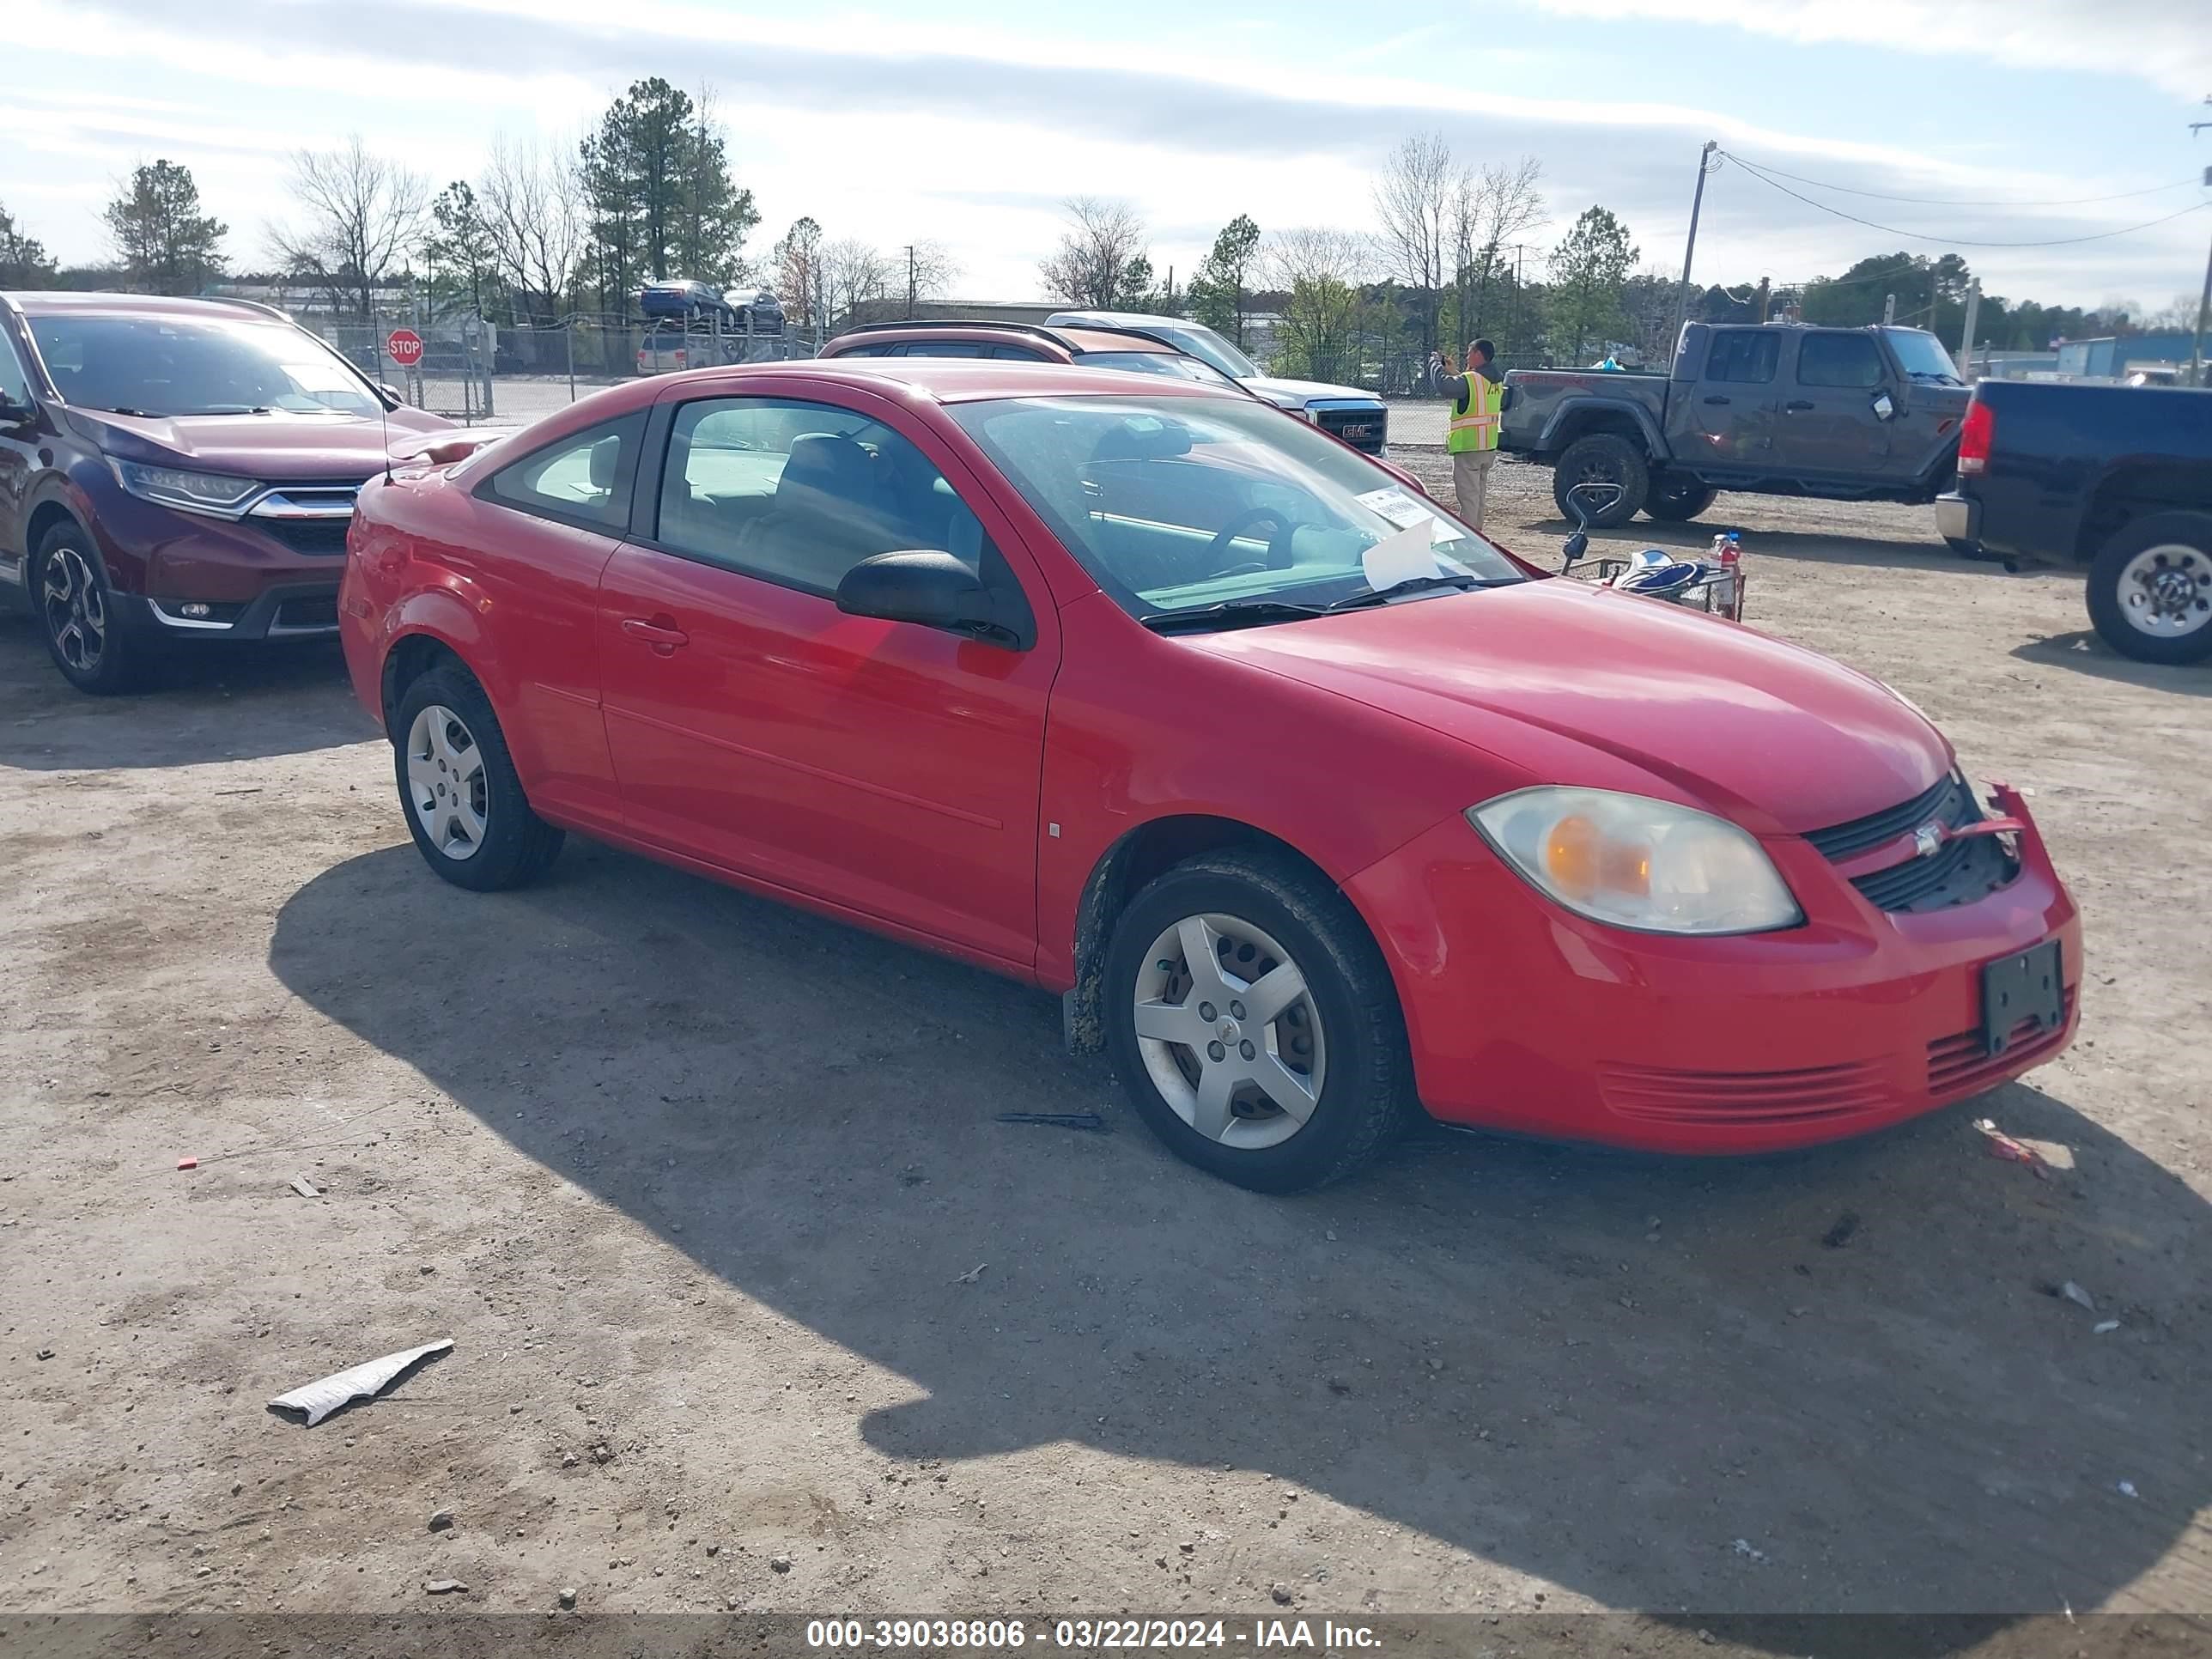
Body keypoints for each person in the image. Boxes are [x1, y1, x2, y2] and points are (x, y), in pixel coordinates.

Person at [1447, 338, 1504, 529]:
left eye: (1469, 352)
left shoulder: (1472, 379)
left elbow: (1445, 386)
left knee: (1469, 498)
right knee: (1478, 496)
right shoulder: (1494, 379)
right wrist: (1454, 372)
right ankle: (1477, 532)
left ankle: (1470, 538)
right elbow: (1469, 390)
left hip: (1469, 447)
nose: (1467, 356)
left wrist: (1434, 366)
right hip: (1487, 446)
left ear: (1479, 354)